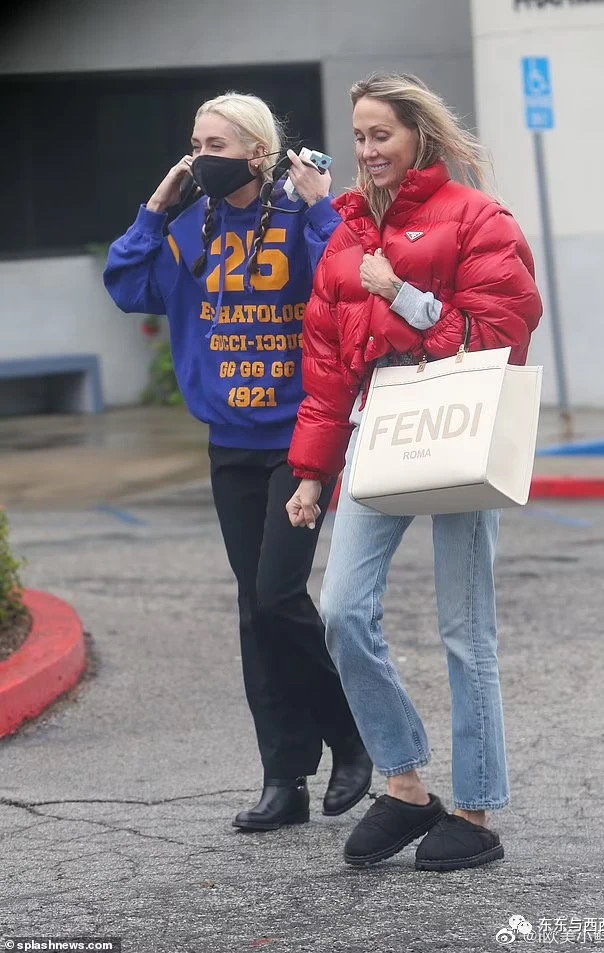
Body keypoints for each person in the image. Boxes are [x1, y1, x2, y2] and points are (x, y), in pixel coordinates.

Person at [286, 73, 542, 870]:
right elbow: (328, 367)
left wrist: (402, 295)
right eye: (359, 136)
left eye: (381, 135)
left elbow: (500, 334)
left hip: (459, 418)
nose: (367, 150)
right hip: (380, 424)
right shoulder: (347, 234)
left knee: (466, 629)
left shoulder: (476, 217)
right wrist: (311, 473)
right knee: (341, 610)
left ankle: (475, 810)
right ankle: (403, 784)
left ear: (418, 136)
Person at [104, 91, 372, 831]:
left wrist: (320, 207)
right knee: (256, 609)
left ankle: (351, 737)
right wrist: (156, 207)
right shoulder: (191, 227)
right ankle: (283, 777)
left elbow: (348, 282)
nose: (200, 158)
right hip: (230, 442)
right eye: (195, 145)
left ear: (258, 152)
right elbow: (127, 285)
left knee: (278, 593)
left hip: (301, 438)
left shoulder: (298, 217)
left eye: (215, 146)